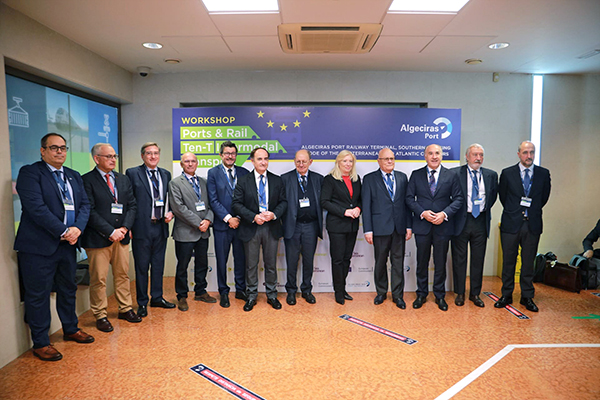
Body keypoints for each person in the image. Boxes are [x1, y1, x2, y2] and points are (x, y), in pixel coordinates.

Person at [14, 133, 94, 361]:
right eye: (54, 148)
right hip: (39, 247)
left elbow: (85, 206)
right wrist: (64, 231)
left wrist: (77, 229)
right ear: (43, 150)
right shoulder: (30, 173)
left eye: (63, 148)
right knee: (38, 295)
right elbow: (36, 208)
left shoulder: (73, 175)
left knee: (68, 289)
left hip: (68, 245)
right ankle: (41, 342)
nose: (59, 152)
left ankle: (71, 329)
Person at [82, 143, 142, 332]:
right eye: (108, 156)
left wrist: (124, 228)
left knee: (122, 275)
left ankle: (125, 308)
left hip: (122, 237)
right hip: (99, 239)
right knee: (99, 279)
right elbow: (89, 211)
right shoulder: (87, 180)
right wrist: (110, 231)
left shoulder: (122, 179)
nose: (113, 160)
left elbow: (132, 205)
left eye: (114, 156)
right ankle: (100, 314)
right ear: (96, 158)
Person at [495, 141, 551, 312]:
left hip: (532, 224)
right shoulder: (507, 173)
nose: (529, 156)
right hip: (511, 223)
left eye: (532, 152)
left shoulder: (543, 173)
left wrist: (530, 211)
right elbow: (503, 197)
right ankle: (506, 294)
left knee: (528, 263)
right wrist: (516, 210)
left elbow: (544, 198)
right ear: (518, 154)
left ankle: (527, 296)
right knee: (508, 262)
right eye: (525, 152)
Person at [406, 144, 463, 311]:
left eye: (437, 153)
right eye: (430, 153)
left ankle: (439, 295)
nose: (434, 156)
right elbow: (409, 199)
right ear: (425, 156)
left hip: (443, 227)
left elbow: (458, 199)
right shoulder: (416, 175)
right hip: (422, 226)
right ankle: (421, 294)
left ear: (441, 155)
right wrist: (422, 213)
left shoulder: (451, 175)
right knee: (421, 262)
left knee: (440, 262)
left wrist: (444, 214)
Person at [232, 147, 287, 312]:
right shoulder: (243, 181)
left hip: (271, 228)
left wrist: (274, 214)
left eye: (265, 159)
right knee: (251, 265)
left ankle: (272, 295)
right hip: (251, 228)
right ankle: (251, 296)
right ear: (252, 161)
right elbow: (236, 204)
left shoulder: (277, 180)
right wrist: (253, 216)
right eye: (259, 159)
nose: (263, 162)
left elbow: (284, 202)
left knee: (271, 264)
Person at [126, 142, 176, 317]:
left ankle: (157, 297)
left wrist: (170, 212)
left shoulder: (165, 174)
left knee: (158, 265)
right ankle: (142, 302)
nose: (153, 156)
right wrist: (129, 226)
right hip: (141, 228)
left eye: (156, 153)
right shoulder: (132, 173)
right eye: (149, 153)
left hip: (160, 227)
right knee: (141, 267)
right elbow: (128, 202)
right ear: (142, 156)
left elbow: (170, 199)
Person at [362, 148, 412, 309]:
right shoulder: (369, 179)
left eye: (392, 158)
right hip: (379, 228)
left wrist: (409, 226)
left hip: (399, 228)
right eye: (386, 159)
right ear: (379, 161)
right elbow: (366, 206)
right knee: (380, 262)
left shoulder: (402, 177)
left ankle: (398, 296)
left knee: (398, 263)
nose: (390, 161)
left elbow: (407, 204)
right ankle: (381, 292)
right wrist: (367, 229)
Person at [450, 144, 498, 308]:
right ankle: (460, 293)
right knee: (459, 259)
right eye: (475, 155)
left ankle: (475, 294)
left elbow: (492, 197)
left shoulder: (491, 175)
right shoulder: (455, 173)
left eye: (481, 155)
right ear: (467, 156)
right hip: (461, 221)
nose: (478, 158)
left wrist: (481, 209)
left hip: (480, 221)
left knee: (478, 259)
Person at [168, 153, 214, 311]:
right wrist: (198, 223)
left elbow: (211, 204)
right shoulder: (175, 183)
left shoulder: (204, 182)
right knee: (182, 266)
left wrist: (207, 220)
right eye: (186, 161)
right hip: (185, 232)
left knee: (202, 263)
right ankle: (181, 296)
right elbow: (178, 208)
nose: (190, 164)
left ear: (197, 163)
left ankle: (200, 291)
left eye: (193, 161)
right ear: (181, 164)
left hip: (203, 231)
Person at [207, 141, 250, 308]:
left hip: (241, 224)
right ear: (221, 155)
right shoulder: (213, 173)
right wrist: (228, 218)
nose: (230, 156)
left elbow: (248, 198)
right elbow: (213, 199)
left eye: (233, 153)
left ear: (236, 155)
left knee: (240, 259)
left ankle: (240, 290)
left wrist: (238, 217)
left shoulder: (244, 172)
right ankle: (223, 292)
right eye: (227, 153)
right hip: (222, 225)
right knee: (221, 260)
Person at [281, 149, 324, 305]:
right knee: (292, 261)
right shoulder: (285, 179)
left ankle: (307, 290)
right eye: (298, 161)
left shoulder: (319, 179)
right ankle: (291, 291)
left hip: (311, 226)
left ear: (310, 162)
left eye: (304, 161)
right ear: (294, 161)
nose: (301, 164)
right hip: (293, 226)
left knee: (308, 260)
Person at [321, 150, 362, 305]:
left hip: (352, 226)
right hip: (337, 226)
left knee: (346, 259)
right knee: (338, 260)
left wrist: (358, 209)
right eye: (344, 161)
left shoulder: (357, 180)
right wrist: (344, 211)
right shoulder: (330, 179)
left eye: (350, 161)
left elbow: (360, 200)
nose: (348, 164)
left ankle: (343, 288)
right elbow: (324, 202)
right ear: (338, 162)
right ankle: (338, 292)